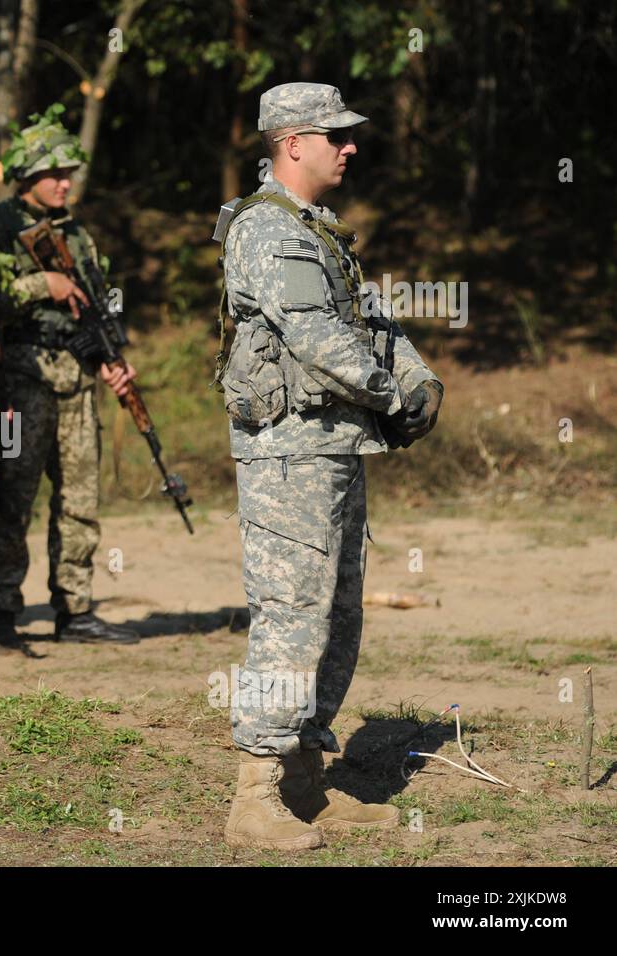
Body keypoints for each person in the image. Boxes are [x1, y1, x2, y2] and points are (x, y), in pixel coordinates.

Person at [216, 83, 443, 850]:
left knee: (337, 612)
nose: (350, 147)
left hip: (332, 448)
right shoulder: (266, 232)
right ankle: (255, 797)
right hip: (288, 455)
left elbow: (369, 318)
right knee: (290, 615)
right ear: (292, 144)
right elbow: (316, 337)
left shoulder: (318, 231)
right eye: (336, 136)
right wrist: (389, 396)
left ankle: (307, 779)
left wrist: (418, 377)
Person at [0, 110, 141, 647]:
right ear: (27, 177)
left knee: (79, 498)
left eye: (69, 173)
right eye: (54, 173)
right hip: (21, 377)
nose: (65, 182)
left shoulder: (79, 236)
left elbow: (96, 304)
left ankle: (75, 608)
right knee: (14, 497)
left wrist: (114, 358)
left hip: (76, 380)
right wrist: (39, 284)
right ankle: (0, 611)